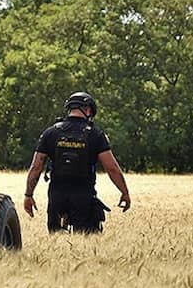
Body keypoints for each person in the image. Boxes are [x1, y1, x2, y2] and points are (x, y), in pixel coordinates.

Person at [23, 92, 131, 233]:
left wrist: (28, 195)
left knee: (57, 246)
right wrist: (124, 192)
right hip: (84, 198)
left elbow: (36, 167)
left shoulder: (50, 133)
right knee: (87, 246)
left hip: (57, 197)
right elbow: (112, 168)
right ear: (87, 110)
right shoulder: (96, 134)